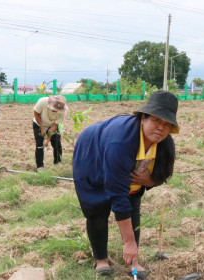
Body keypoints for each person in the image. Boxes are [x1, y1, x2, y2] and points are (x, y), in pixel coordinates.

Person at [73, 91, 179, 279]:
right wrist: (128, 243)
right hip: (91, 155)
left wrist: (149, 181)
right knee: (97, 208)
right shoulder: (120, 141)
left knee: (133, 206)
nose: (161, 128)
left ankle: (133, 263)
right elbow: (117, 196)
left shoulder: (164, 143)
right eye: (156, 120)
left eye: (167, 124)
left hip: (122, 165)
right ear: (143, 118)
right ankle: (101, 259)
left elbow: (164, 173)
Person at [33, 95, 68, 172]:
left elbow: (55, 125)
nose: (56, 111)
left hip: (52, 125)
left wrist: (47, 138)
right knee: (39, 145)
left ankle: (58, 162)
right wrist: (41, 128)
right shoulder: (42, 101)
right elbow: (36, 114)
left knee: (57, 143)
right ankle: (40, 166)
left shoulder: (63, 112)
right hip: (39, 123)